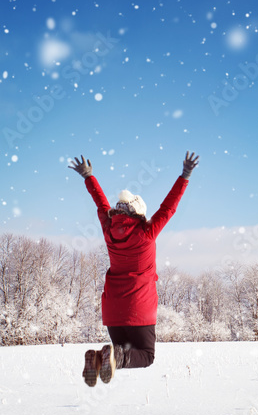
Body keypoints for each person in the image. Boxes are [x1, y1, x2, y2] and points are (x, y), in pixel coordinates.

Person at [68, 151, 199, 386]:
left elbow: (101, 204)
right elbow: (168, 208)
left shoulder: (109, 230)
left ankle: (98, 358)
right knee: (146, 356)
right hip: (139, 308)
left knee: (121, 352)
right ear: (139, 213)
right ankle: (113, 355)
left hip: (113, 312)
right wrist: (185, 176)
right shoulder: (146, 233)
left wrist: (88, 176)